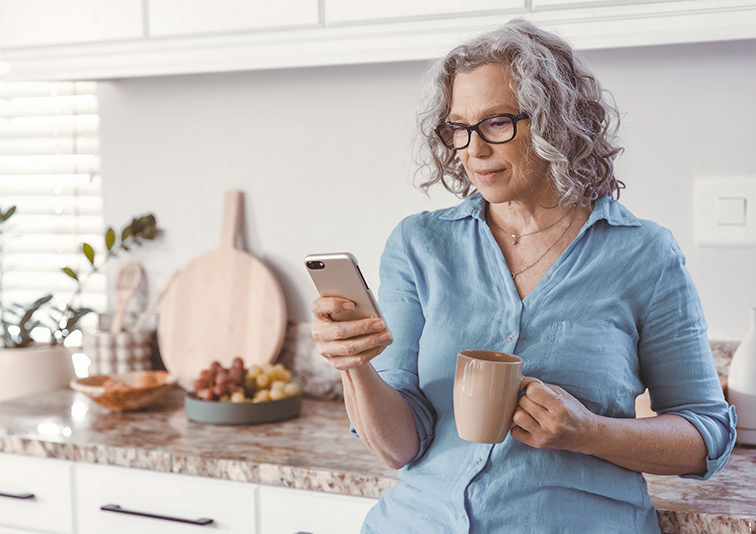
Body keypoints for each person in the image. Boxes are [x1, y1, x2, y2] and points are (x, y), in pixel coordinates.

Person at [310, 18, 736, 533]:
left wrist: (588, 432)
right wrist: (354, 367)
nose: (472, 149)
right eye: (459, 128)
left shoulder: (642, 253)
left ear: (558, 121)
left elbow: (706, 436)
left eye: (496, 123)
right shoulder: (420, 244)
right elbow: (401, 447)